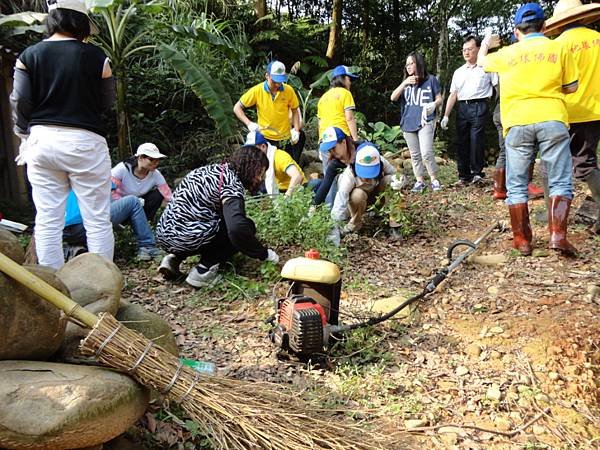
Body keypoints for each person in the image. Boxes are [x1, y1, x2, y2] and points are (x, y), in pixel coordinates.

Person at [9, 0, 115, 269]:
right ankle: (104, 287)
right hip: (86, 142)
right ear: (81, 22)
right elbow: (106, 103)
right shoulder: (97, 57)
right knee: (97, 220)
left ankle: (54, 292)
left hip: (42, 142)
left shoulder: (29, 55)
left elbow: (20, 100)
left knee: (47, 220)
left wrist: (23, 133)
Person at [478, 2, 579, 256]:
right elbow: (572, 87)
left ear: (516, 31)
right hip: (552, 117)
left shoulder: (508, 53)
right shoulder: (559, 47)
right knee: (560, 180)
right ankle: (557, 236)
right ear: (544, 26)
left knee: (517, 183)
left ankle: (522, 239)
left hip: (517, 122)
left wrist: (486, 44)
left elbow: (482, 63)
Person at [156, 147, 279, 288]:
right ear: (251, 168)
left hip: (164, 235)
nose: (260, 179)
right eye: (260, 173)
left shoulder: (208, 171)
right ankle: (202, 271)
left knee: (205, 221)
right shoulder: (230, 184)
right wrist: (264, 254)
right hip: (186, 237)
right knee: (246, 226)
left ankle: (173, 259)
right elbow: (237, 228)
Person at [545, 0, 600, 234]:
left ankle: (554, 221)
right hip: (596, 111)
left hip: (569, 112)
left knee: (560, 166)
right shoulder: (598, 40)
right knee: (588, 160)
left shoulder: (557, 46)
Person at [441, 35, 495, 185]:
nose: (466, 52)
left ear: (478, 49)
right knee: (461, 141)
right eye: (464, 50)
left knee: (476, 140)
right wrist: (445, 115)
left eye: (470, 49)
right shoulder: (459, 72)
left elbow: (497, 87)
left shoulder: (487, 67)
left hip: (480, 105)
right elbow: (453, 94)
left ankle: (477, 173)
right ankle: (463, 176)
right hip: (462, 108)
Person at [391, 52, 443, 193]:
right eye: (406, 64)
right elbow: (393, 97)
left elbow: (440, 99)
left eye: (411, 63)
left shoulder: (431, 80)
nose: (408, 66)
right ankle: (419, 181)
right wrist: (405, 83)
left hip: (426, 120)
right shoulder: (406, 83)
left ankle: (434, 179)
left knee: (426, 152)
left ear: (418, 63)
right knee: (415, 155)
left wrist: (433, 105)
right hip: (408, 122)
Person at [233, 61, 304, 163]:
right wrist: (249, 123)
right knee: (265, 165)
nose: (277, 84)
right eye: (274, 81)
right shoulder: (257, 91)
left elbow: (295, 110)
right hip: (265, 137)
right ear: (267, 76)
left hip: (285, 137)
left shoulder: (288, 91)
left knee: (284, 165)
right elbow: (237, 108)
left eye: (280, 81)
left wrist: (296, 130)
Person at [63, 189, 161, 261]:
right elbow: (108, 202)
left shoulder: (61, 176)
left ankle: (73, 249)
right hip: (85, 225)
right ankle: (147, 247)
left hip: (63, 231)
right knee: (133, 201)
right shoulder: (99, 169)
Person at [491, 82, 544, 200]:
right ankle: (526, 185)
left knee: (504, 149)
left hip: (500, 108)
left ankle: (499, 189)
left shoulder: (499, 66)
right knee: (530, 145)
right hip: (515, 108)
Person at [331, 143, 397, 233]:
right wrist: (335, 226)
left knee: (390, 180)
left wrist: (399, 182)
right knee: (357, 194)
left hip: (377, 198)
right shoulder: (349, 174)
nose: (366, 178)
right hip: (358, 203)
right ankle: (355, 224)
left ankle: (394, 224)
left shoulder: (381, 161)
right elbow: (341, 199)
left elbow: (397, 175)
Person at [111, 143, 173, 222]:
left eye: (157, 160)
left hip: (140, 203)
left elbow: (168, 194)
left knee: (157, 195)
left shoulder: (155, 174)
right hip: (120, 205)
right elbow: (109, 191)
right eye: (151, 159)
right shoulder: (122, 169)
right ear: (140, 158)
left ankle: (146, 221)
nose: (156, 163)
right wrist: (126, 203)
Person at [242, 131, 306, 196]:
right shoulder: (259, 159)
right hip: (278, 188)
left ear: (263, 146)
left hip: (295, 187)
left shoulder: (279, 156)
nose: (250, 153)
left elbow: (297, 176)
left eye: (252, 149)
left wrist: (287, 196)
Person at [312, 126, 357, 206]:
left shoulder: (360, 151)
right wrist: (313, 207)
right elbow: (325, 186)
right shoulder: (335, 164)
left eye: (333, 148)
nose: (332, 152)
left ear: (343, 142)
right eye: (329, 150)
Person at [317, 65, 360, 142]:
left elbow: (320, 123)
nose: (350, 83)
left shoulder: (323, 97)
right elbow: (349, 118)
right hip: (339, 135)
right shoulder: (346, 93)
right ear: (344, 79)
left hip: (324, 138)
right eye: (349, 79)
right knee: (353, 152)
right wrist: (356, 140)